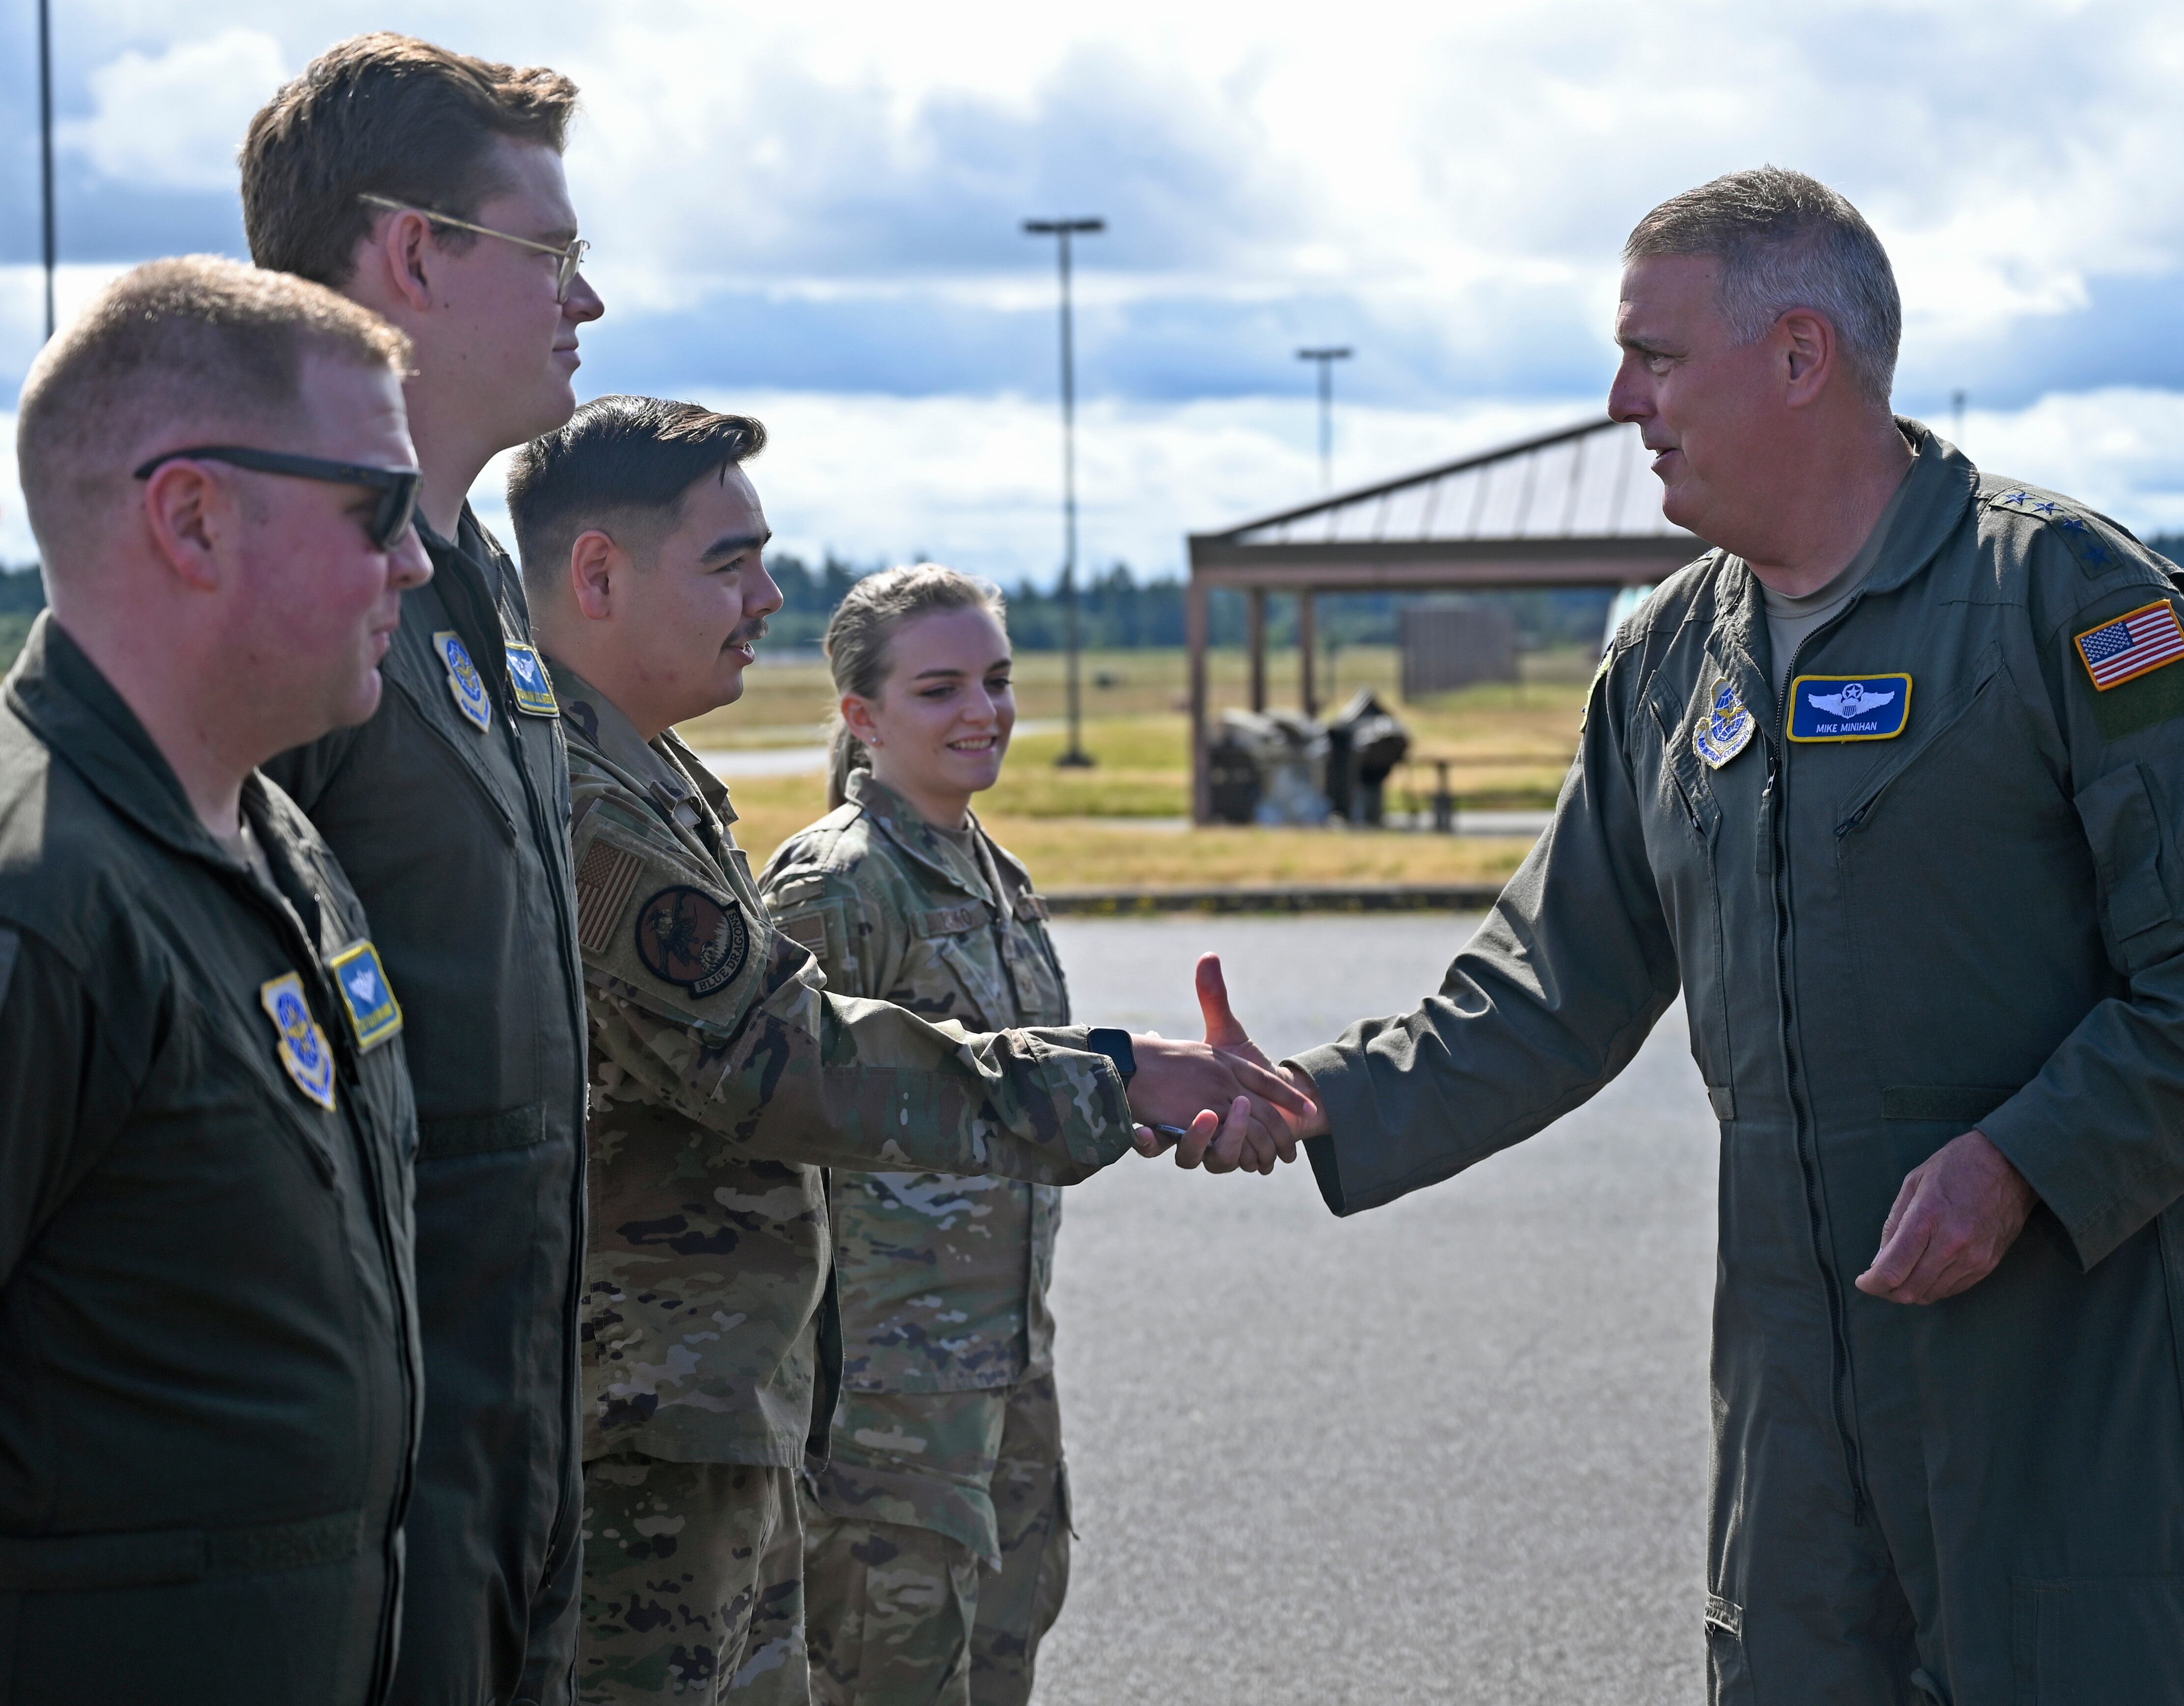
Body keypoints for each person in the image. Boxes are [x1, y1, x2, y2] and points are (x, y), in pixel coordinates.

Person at [1224, 169, 2184, 1704]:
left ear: (1798, 355)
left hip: (2050, 1354)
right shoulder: (1667, 656)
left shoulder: (2058, 598)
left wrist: (2025, 1157)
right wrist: (1316, 1095)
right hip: (1792, 1380)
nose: (1623, 400)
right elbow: (1548, 988)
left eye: (1656, 355)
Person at [505, 395, 1305, 1705]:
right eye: (730, 561)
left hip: (783, 1406)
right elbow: (787, 1063)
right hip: (704, 1424)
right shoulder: (606, 809)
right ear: (598, 573)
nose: (766, 594)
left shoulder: (656, 787)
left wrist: (1125, 1070)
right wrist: (1112, 1079)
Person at [0, 257, 432, 1699]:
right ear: (191, 516)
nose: (415, 561)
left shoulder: (273, 837)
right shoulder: (39, 907)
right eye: (378, 508)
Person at [241, 36, 602, 1703]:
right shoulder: (275, 596)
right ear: (409, 254)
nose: (586, 302)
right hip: (358, 1484)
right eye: (552, 253)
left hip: (509, 1434)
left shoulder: (475, 585)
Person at [755, 567, 1077, 1705]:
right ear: (862, 716)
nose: (981, 711)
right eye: (939, 688)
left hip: (1003, 1375)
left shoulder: (997, 873)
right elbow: (765, 1123)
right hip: (883, 1407)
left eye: (995, 681)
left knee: (998, 1659)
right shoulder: (837, 886)